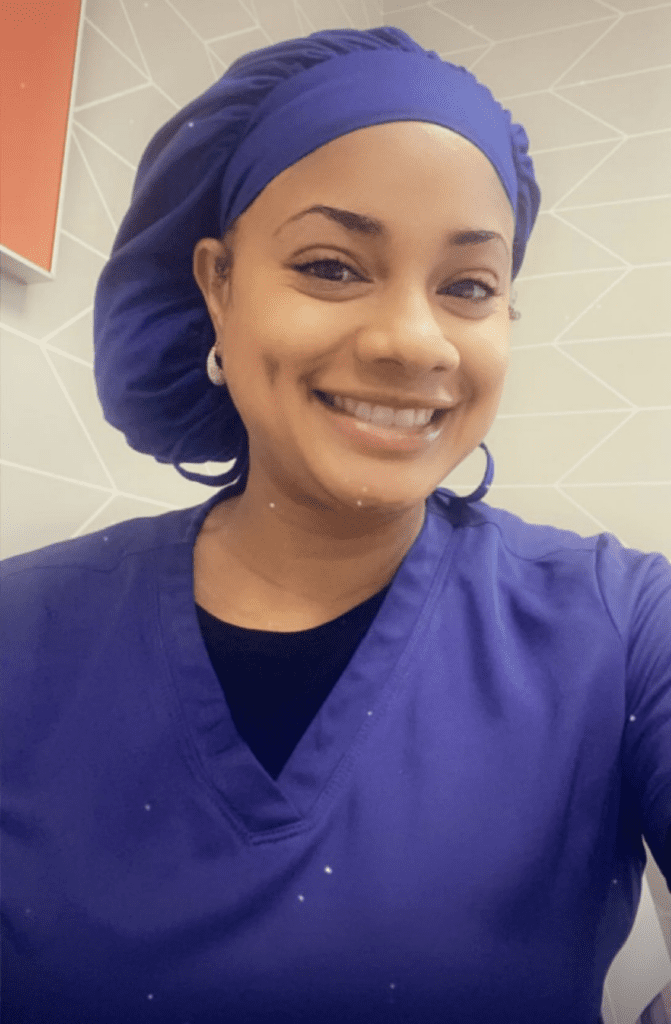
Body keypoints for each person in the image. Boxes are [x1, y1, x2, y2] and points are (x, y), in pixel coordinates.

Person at [1, 25, 669, 1024]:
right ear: (218, 284)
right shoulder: (20, 631)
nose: (412, 340)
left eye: (468, 286)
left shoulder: (622, 629)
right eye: (330, 266)